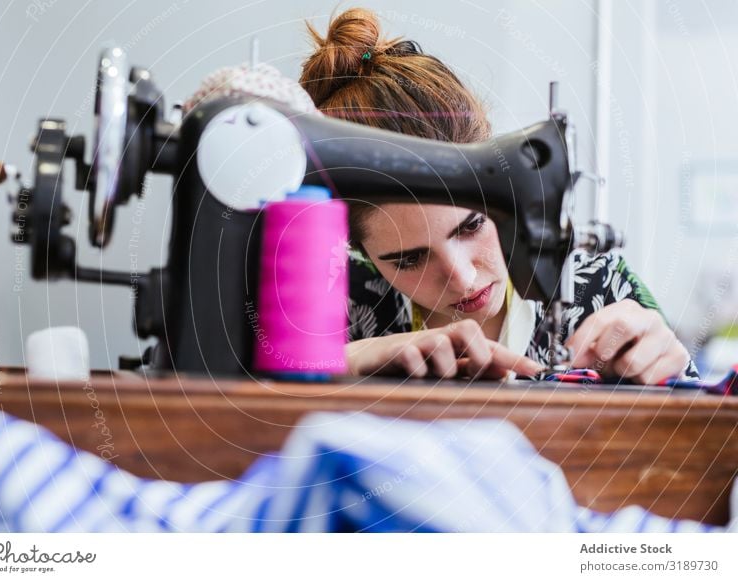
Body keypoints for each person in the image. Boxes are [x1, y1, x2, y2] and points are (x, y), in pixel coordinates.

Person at [298, 7, 695, 384]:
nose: (463, 278)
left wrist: (668, 370)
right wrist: (342, 363)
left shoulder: (600, 289)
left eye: (472, 226)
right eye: (409, 258)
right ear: (359, 250)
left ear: (505, 189)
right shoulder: (329, 302)